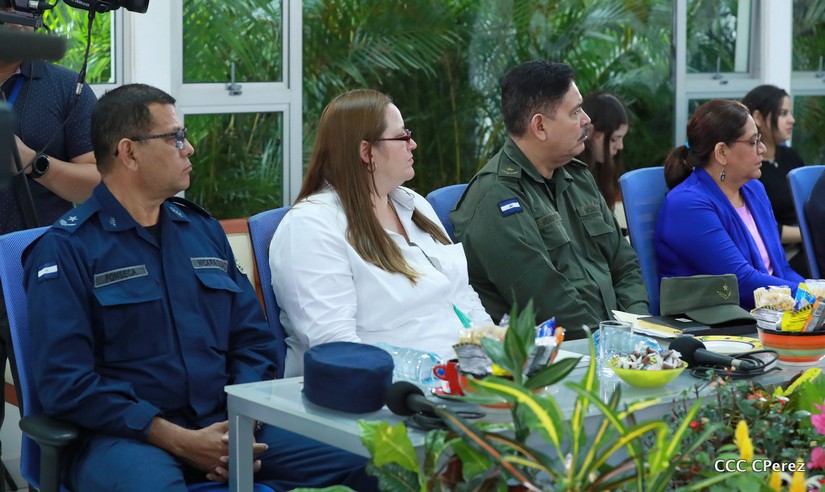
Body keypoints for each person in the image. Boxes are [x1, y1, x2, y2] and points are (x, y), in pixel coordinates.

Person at [22, 84, 375, 491]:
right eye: (175, 138)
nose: (188, 148)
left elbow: (253, 342)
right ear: (129, 153)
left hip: (225, 422)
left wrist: (239, 427)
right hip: (124, 438)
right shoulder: (67, 249)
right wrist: (179, 440)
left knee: (372, 458)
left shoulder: (202, 231)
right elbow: (66, 383)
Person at [270, 88, 493, 377]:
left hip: (462, 377)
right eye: (402, 137)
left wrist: (499, 357)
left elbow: (461, 296)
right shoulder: (310, 226)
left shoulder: (415, 205)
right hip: (387, 389)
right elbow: (337, 346)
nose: (413, 144)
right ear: (366, 152)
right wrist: (430, 385)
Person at [450, 61, 649, 339]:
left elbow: (625, 266)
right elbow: (549, 305)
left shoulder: (578, 177)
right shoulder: (497, 198)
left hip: (619, 342)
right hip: (564, 352)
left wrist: (637, 329)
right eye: (575, 112)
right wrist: (615, 343)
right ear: (540, 126)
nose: (587, 120)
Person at [0, 9, 99, 488]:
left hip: (41, 276)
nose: (20, 19)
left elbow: (98, 186)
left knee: (54, 407)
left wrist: (29, 161)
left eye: (29, 12)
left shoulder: (66, 88)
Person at [654, 99, 804, 310]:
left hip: (767, 314)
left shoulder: (754, 189)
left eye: (760, 139)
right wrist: (809, 298)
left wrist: (815, 295)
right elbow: (741, 282)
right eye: (753, 142)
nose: (762, 149)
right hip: (715, 322)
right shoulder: (687, 206)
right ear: (721, 152)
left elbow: (782, 269)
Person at [742, 84, 808, 276]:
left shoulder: (791, 157)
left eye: (790, 113)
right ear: (758, 117)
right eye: (783, 113)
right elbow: (763, 228)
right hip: (781, 255)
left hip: (805, 245)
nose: (792, 120)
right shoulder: (750, 170)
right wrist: (808, 233)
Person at [578, 91, 630, 212]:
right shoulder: (572, 174)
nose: (620, 146)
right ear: (590, 131)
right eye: (614, 139)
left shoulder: (603, 170)